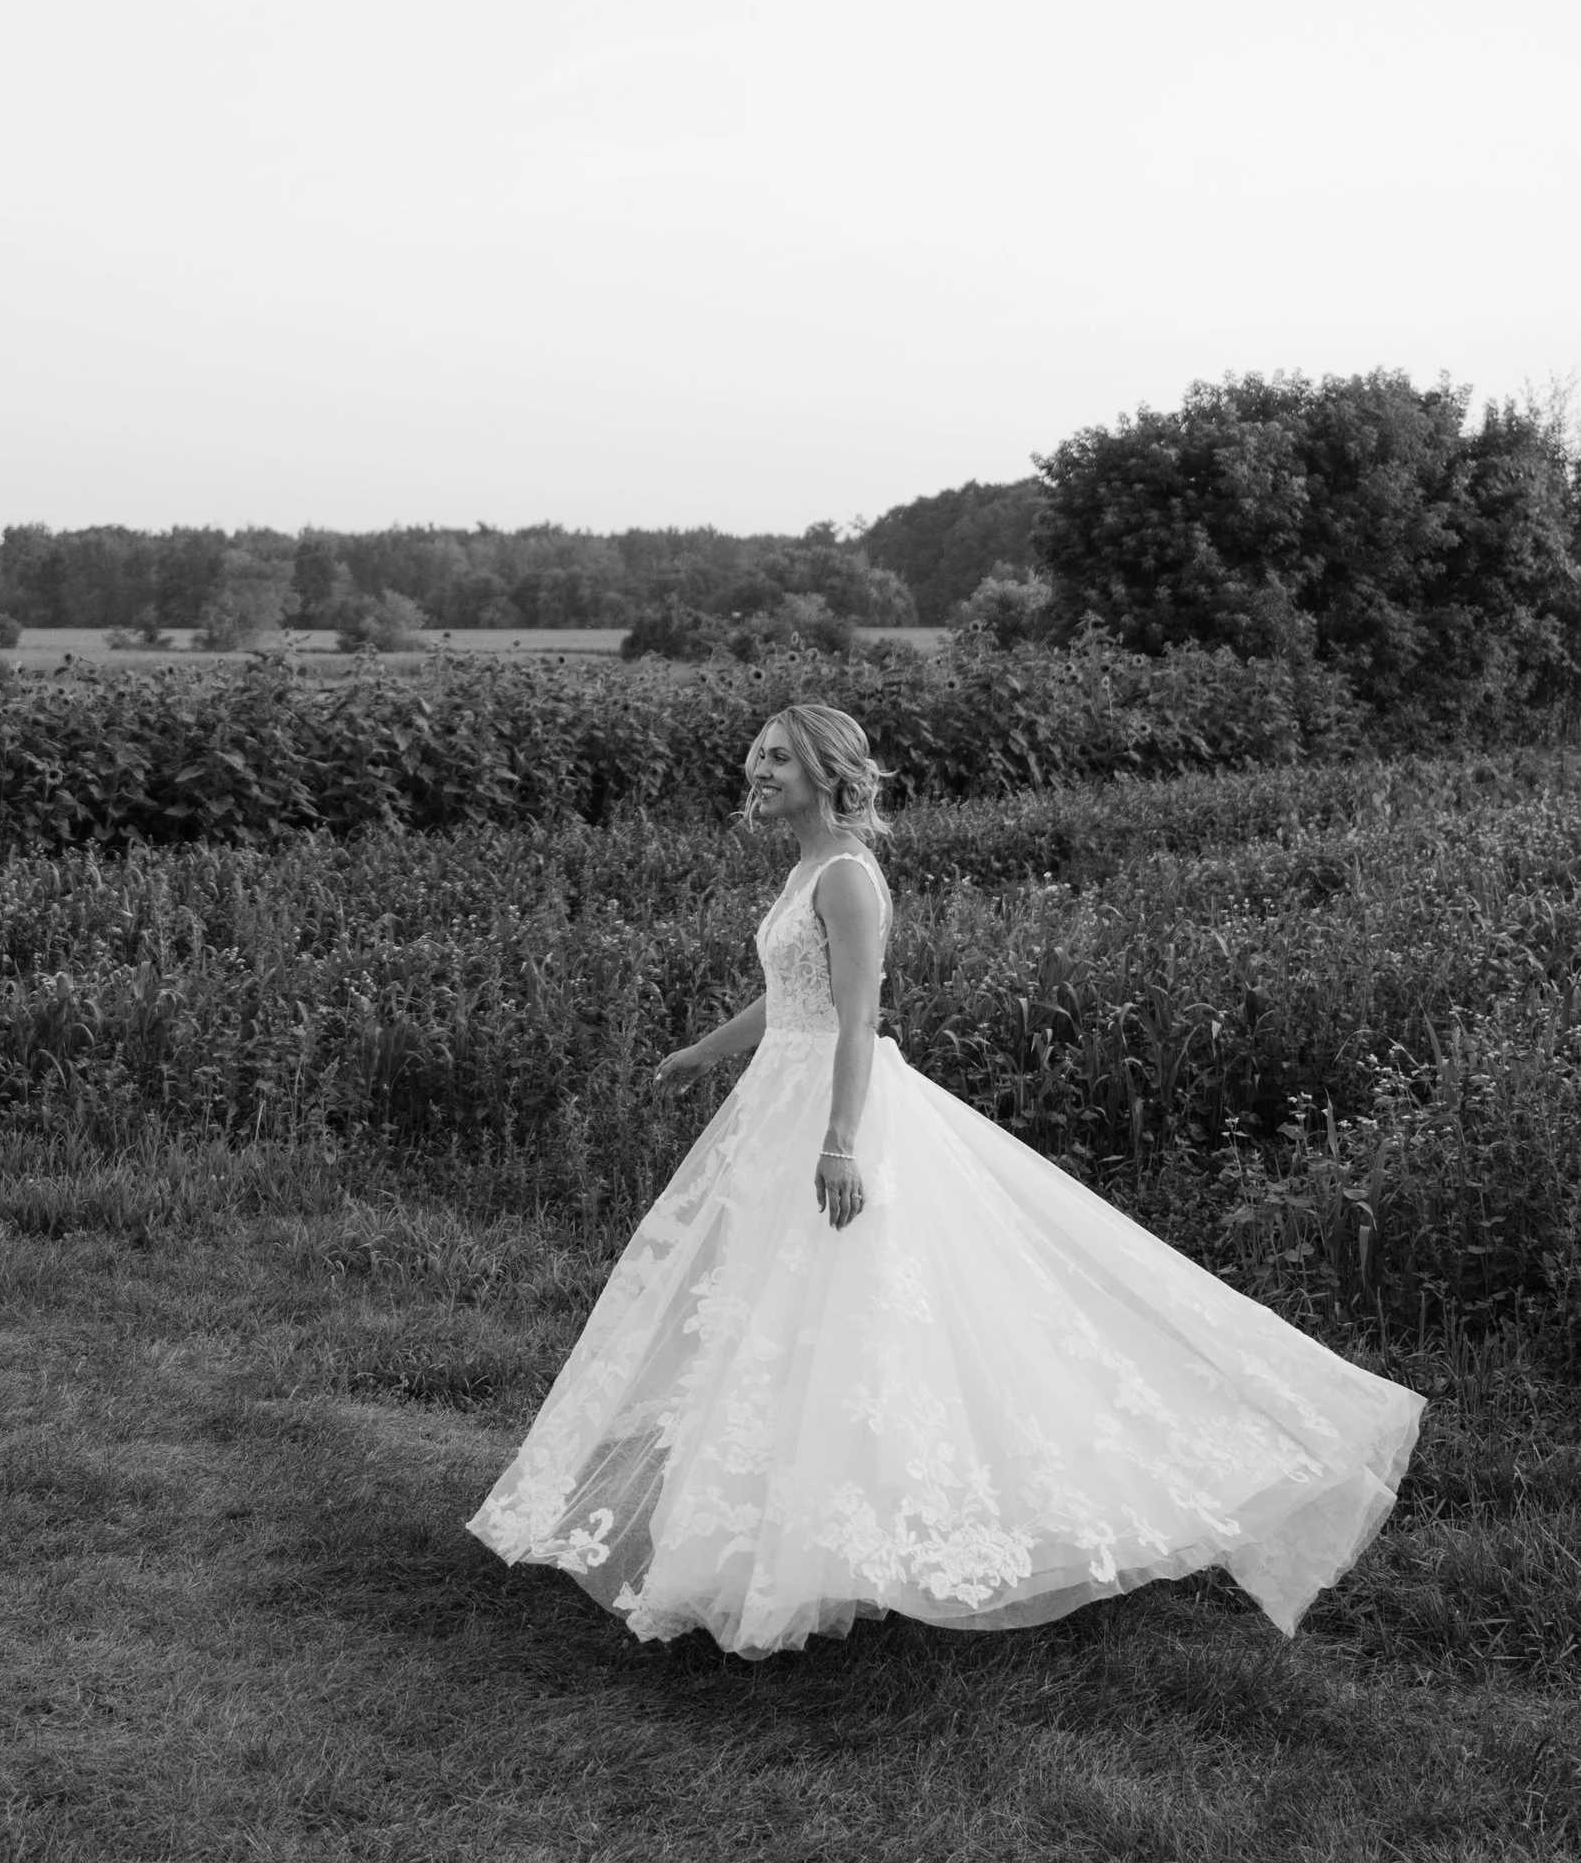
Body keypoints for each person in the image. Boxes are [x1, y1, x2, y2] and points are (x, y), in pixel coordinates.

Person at [470, 701, 1422, 1655]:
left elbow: (854, 1020)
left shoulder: (847, 875)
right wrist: (699, 1051)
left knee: (853, 1304)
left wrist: (840, 1143)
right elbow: (791, 998)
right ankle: (784, 1532)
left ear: (829, 776)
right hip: (777, 1099)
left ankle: (866, 1534)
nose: (758, 771)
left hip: (835, 1107)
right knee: (774, 1316)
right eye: (756, 755)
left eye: (780, 761)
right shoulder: (806, 868)